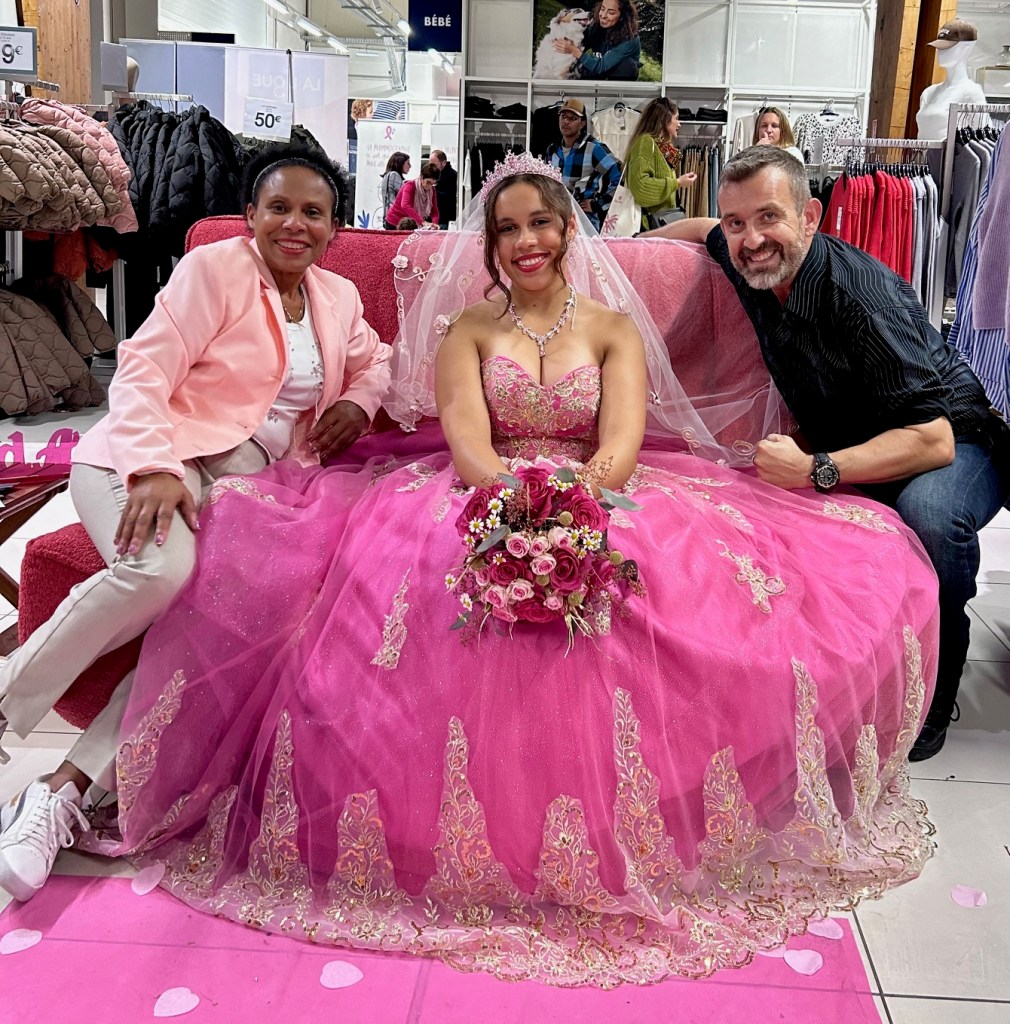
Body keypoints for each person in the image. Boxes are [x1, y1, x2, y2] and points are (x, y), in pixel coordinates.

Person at [96, 153, 937, 986]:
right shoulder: (469, 329)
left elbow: (620, 445)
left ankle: (633, 827)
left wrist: (574, 504)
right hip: (480, 489)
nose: (526, 241)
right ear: (491, 245)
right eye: (507, 229)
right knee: (430, 589)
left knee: (658, 590)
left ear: (568, 231)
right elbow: (468, 444)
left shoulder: (610, 328)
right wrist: (515, 506)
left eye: (540, 224)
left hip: (601, 490)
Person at [0, 145, 392, 903]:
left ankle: (64, 791)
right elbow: (143, 369)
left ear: (333, 228)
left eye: (313, 212)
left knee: (219, 621)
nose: (295, 224)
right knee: (161, 569)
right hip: (151, 457)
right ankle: (9, 698)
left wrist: (357, 401)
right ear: (250, 216)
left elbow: (378, 361)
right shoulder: (214, 271)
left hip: (251, 490)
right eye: (279, 208)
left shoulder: (337, 297)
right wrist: (151, 466)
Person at [644, 144, 1010, 761]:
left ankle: (938, 676)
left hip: (953, 439)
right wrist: (617, 246)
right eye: (738, 222)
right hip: (858, 436)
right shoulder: (749, 258)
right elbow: (698, 228)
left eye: (769, 217)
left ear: (810, 216)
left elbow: (934, 438)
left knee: (929, 518)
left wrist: (817, 469)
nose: (751, 238)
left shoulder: (861, 296)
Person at [545, 98, 621, 231]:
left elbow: (620, 176)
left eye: (573, 118)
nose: (566, 121)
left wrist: (598, 204)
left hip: (584, 218)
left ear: (582, 123)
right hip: (557, 216)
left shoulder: (593, 148)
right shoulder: (552, 149)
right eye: (563, 116)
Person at [624, 97, 697, 229]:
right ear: (664, 120)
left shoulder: (661, 147)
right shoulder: (645, 142)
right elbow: (640, 187)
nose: (679, 124)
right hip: (650, 226)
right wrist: (677, 183)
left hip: (660, 224)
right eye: (676, 118)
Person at [916, 20, 987, 140]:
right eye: (939, 47)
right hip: (921, 152)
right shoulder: (928, 93)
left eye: (947, 47)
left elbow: (982, 138)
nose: (940, 52)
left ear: (966, 48)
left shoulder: (971, 92)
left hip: (950, 152)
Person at [553, 0, 641, 81]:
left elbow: (601, 66)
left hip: (618, 74)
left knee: (627, 65)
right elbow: (578, 46)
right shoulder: (596, 27)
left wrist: (574, 50)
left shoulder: (630, 39)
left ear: (622, 17)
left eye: (611, 13)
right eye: (602, 9)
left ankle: (611, 92)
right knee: (575, 64)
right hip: (597, 68)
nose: (603, 15)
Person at [385, 160, 440, 230]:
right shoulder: (410, 185)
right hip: (395, 221)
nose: (429, 186)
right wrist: (422, 222)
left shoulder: (432, 190)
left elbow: (434, 210)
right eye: (428, 182)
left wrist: (434, 224)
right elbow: (405, 205)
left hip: (409, 224)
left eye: (433, 183)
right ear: (421, 177)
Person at [380, 152, 411, 229]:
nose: (410, 166)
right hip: (394, 218)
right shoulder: (394, 175)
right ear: (400, 163)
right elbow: (405, 194)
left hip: (388, 217)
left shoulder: (388, 175)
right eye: (408, 163)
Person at [430, 149, 458, 229]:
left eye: (435, 165)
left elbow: (450, 196)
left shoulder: (452, 176)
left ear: (444, 163)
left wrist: (432, 191)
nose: (432, 167)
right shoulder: (437, 174)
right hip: (437, 218)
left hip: (444, 219)